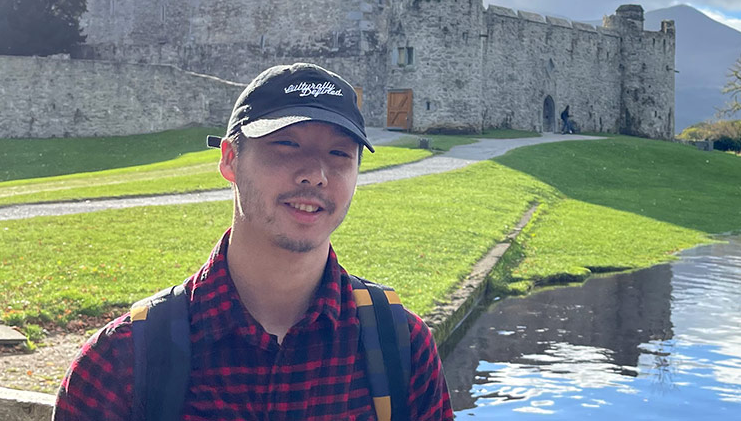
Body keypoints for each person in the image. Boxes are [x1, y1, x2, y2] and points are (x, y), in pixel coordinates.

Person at [53, 62, 454, 420]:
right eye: (287, 144)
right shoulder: (121, 363)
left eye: (338, 153)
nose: (315, 174)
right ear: (229, 158)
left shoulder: (400, 346)